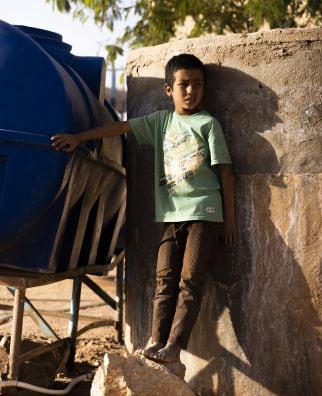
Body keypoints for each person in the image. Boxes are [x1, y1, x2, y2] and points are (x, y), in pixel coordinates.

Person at [51, 53, 235, 363]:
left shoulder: (208, 124)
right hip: (172, 216)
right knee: (164, 279)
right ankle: (155, 341)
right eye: (184, 85)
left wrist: (229, 220)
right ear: (168, 89)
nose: (191, 91)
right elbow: (120, 128)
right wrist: (79, 138)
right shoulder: (160, 122)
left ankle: (174, 348)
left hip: (205, 213)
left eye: (198, 85)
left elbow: (225, 173)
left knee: (189, 282)